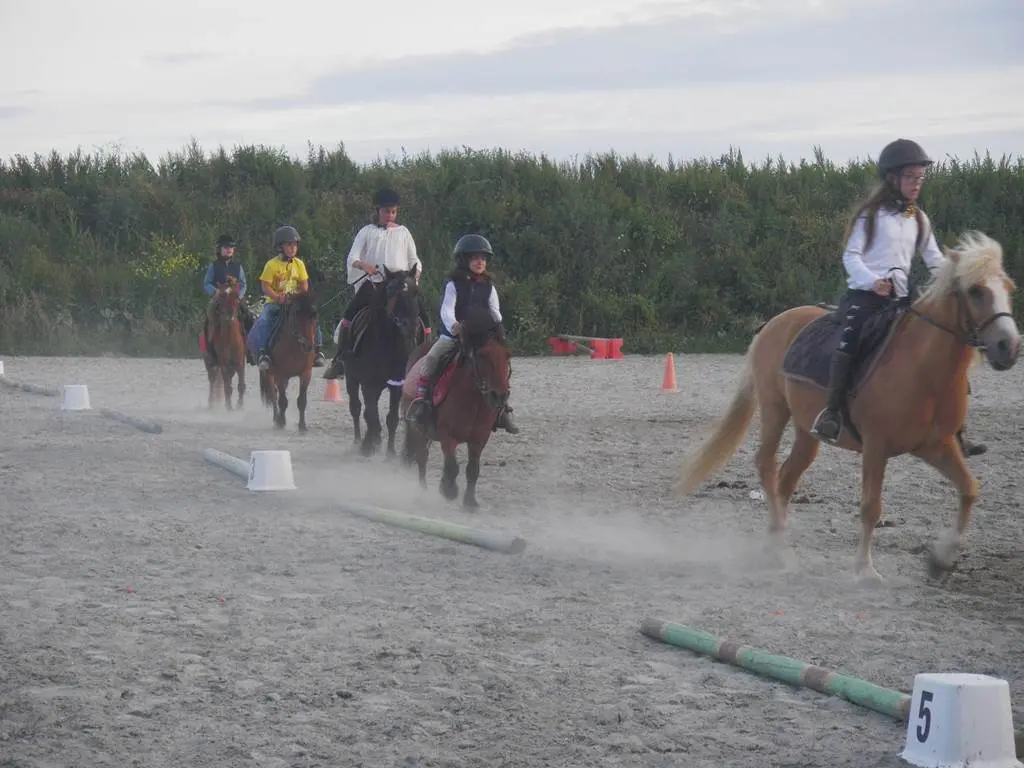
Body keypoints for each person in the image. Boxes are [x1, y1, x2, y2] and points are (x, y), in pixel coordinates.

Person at [810, 138, 987, 455]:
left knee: (944, 346)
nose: (917, 183)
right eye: (910, 177)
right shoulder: (869, 216)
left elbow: (934, 259)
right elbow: (851, 256)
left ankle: (956, 429)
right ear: (892, 177)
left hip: (900, 301)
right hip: (866, 297)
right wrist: (872, 281)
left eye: (920, 177)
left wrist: (961, 275)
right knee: (851, 339)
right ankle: (831, 413)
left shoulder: (918, 218)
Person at [406, 233, 519, 434]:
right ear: (464, 260)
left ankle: (503, 408)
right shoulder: (453, 284)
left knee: (499, 363)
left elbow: (494, 310)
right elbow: (446, 310)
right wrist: (455, 326)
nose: (480, 262)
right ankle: (423, 399)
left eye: (483, 258)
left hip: (482, 335)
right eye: (475, 258)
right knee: (432, 358)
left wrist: (498, 325)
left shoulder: (488, 285)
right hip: (454, 336)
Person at [322, 187, 430, 379]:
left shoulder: (404, 232)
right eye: (386, 211)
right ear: (378, 211)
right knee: (351, 313)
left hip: (399, 285)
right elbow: (353, 257)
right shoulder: (366, 232)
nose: (390, 215)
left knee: (421, 314)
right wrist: (365, 266)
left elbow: (414, 260)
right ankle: (341, 358)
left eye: (394, 212)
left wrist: (414, 278)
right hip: (374, 283)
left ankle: (424, 358)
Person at [247, 225, 326, 371]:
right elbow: (265, 286)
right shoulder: (271, 265)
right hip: (275, 303)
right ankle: (264, 353)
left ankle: (318, 350)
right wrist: (277, 297)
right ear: (280, 247)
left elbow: (304, 285)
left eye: (295, 245)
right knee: (265, 320)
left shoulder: (299, 264)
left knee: (312, 317)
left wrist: (297, 296)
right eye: (289, 245)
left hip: (295, 303)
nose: (293, 248)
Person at [203, 234, 255, 362]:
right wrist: (215, 292)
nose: (229, 250)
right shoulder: (214, 266)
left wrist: (239, 295)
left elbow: (243, 284)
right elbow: (207, 283)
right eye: (226, 247)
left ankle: (250, 351)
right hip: (219, 299)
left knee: (249, 318)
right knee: (208, 320)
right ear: (219, 249)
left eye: (231, 248)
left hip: (235, 299)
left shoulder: (237, 267)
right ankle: (211, 351)